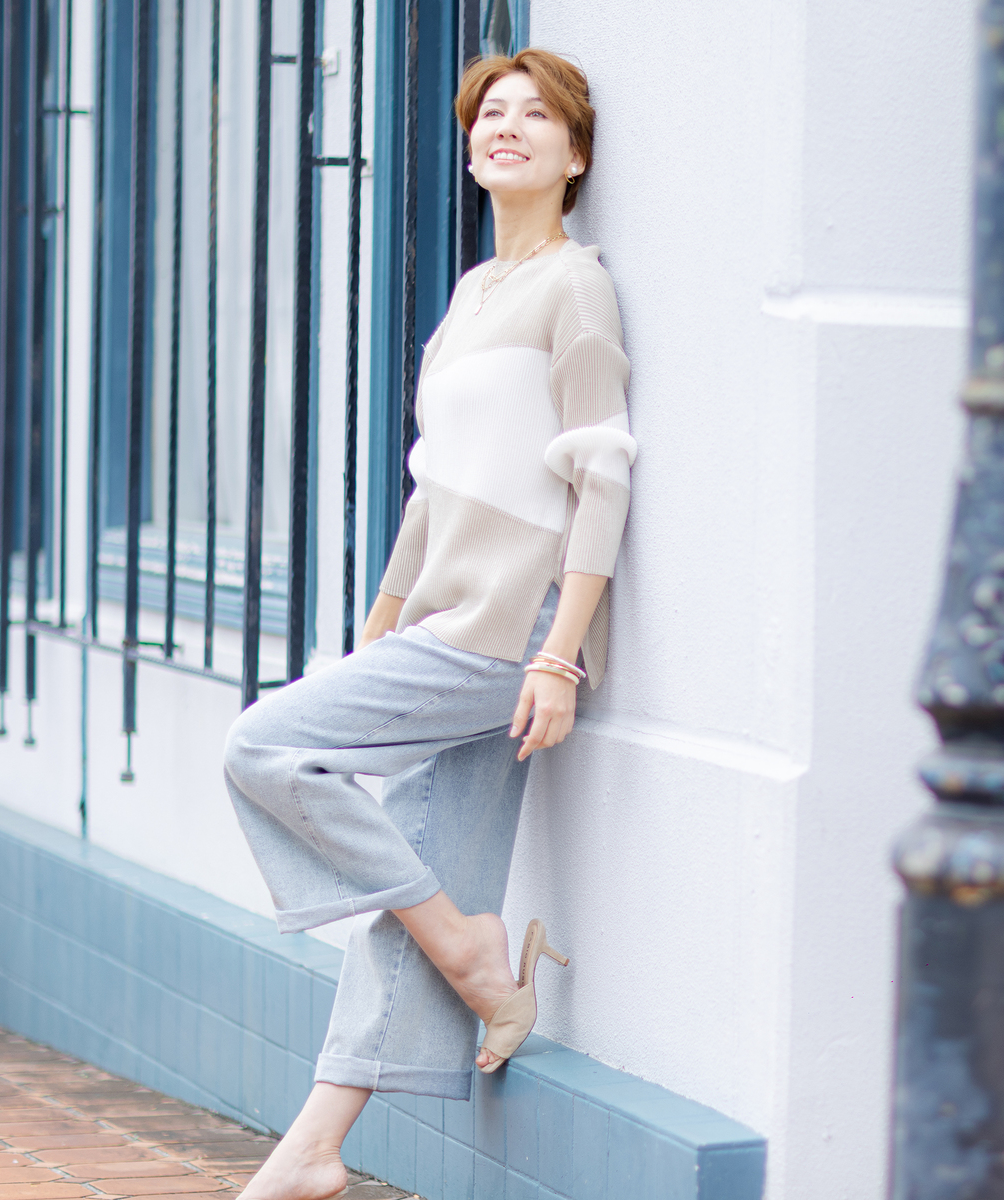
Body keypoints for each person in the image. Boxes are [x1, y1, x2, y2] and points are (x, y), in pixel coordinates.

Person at [224, 46, 635, 1200]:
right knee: (422, 875)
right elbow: (432, 485)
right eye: (490, 113)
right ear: (469, 150)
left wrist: (559, 655)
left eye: (536, 116)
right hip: (450, 618)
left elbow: (603, 474)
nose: (506, 127)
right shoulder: (473, 295)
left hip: (514, 628)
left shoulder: (577, 286)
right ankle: (313, 1152)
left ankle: (472, 953)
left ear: (575, 155)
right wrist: (383, 623)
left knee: (264, 745)